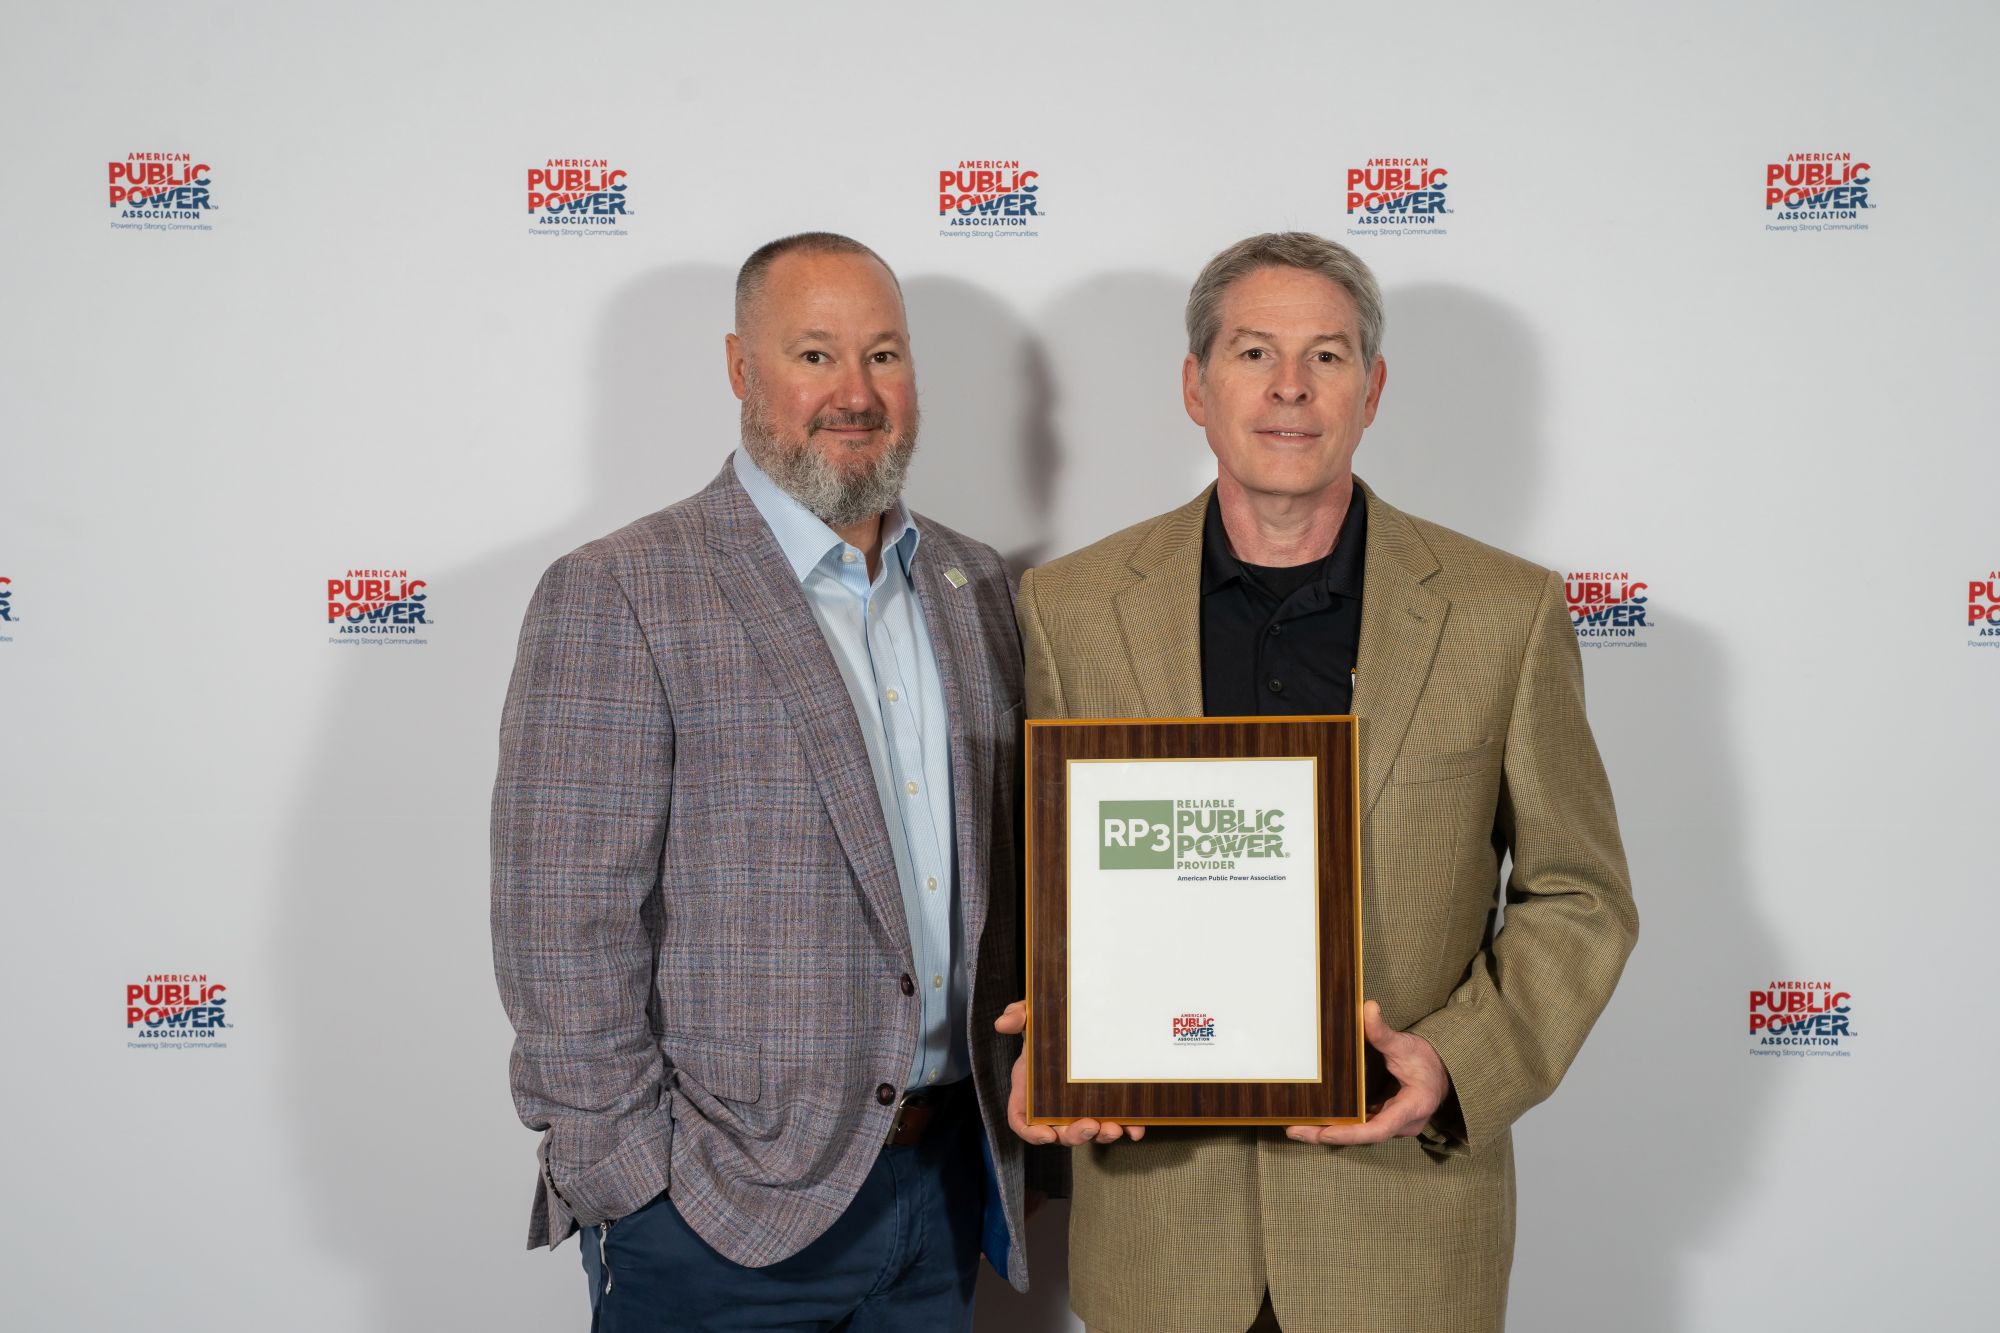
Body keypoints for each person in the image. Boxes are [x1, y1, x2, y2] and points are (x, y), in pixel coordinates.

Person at [1000, 232, 1638, 1332]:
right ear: (1195, 386)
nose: (1289, 387)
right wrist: (1048, 1039)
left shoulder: (1505, 613)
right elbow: (1036, 882)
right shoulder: (1069, 608)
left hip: (1399, 1244)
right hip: (1160, 1241)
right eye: (1252, 353)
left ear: (1372, 389)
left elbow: (1578, 894)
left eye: (1327, 357)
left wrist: (1453, 1060)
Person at [492, 232, 1034, 1331]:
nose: (856, 393)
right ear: (741, 367)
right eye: (815, 355)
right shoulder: (622, 590)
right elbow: (560, 923)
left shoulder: (975, 589)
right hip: (711, 1219)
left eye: (883, 356)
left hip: (941, 1194)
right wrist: (632, 1181)